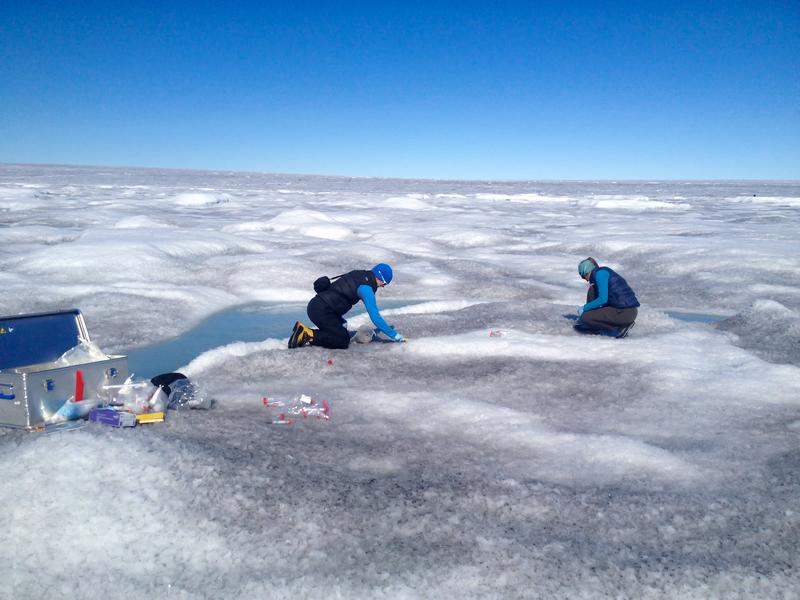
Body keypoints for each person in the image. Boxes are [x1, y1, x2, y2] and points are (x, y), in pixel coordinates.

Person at [288, 263, 406, 349]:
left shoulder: (358, 274)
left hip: (317, 305)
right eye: (384, 283)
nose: (383, 286)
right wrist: (395, 336)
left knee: (340, 332)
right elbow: (375, 316)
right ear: (380, 278)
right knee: (342, 340)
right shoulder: (366, 289)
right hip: (322, 310)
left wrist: (341, 321)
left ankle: (304, 332)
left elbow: (338, 293)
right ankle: (307, 334)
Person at [574, 257, 639, 338]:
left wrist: (585, 308)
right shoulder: (601, 273)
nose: (586, 280)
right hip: (626, 311)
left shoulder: (600, 274)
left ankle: (619, 329)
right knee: (592, 290)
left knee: (586, 317)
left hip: (625, 312)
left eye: (583, 277)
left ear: (586, 272)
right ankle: (591, 324)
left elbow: (603, 299)